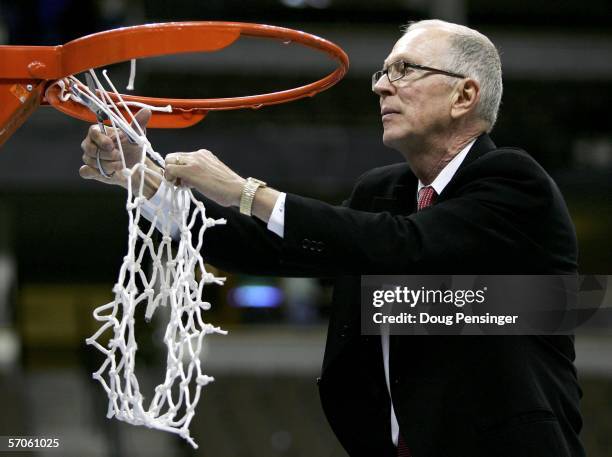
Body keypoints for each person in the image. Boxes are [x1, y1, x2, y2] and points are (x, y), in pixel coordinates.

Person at [80, 19, 585, 457]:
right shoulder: (382, 190)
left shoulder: (514, 182)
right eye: (383, 72)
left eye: (404, 70)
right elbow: (272, 245)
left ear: (464, 95)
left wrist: (244, 190)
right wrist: (137, 178)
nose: (382, 87)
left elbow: (404, 246)